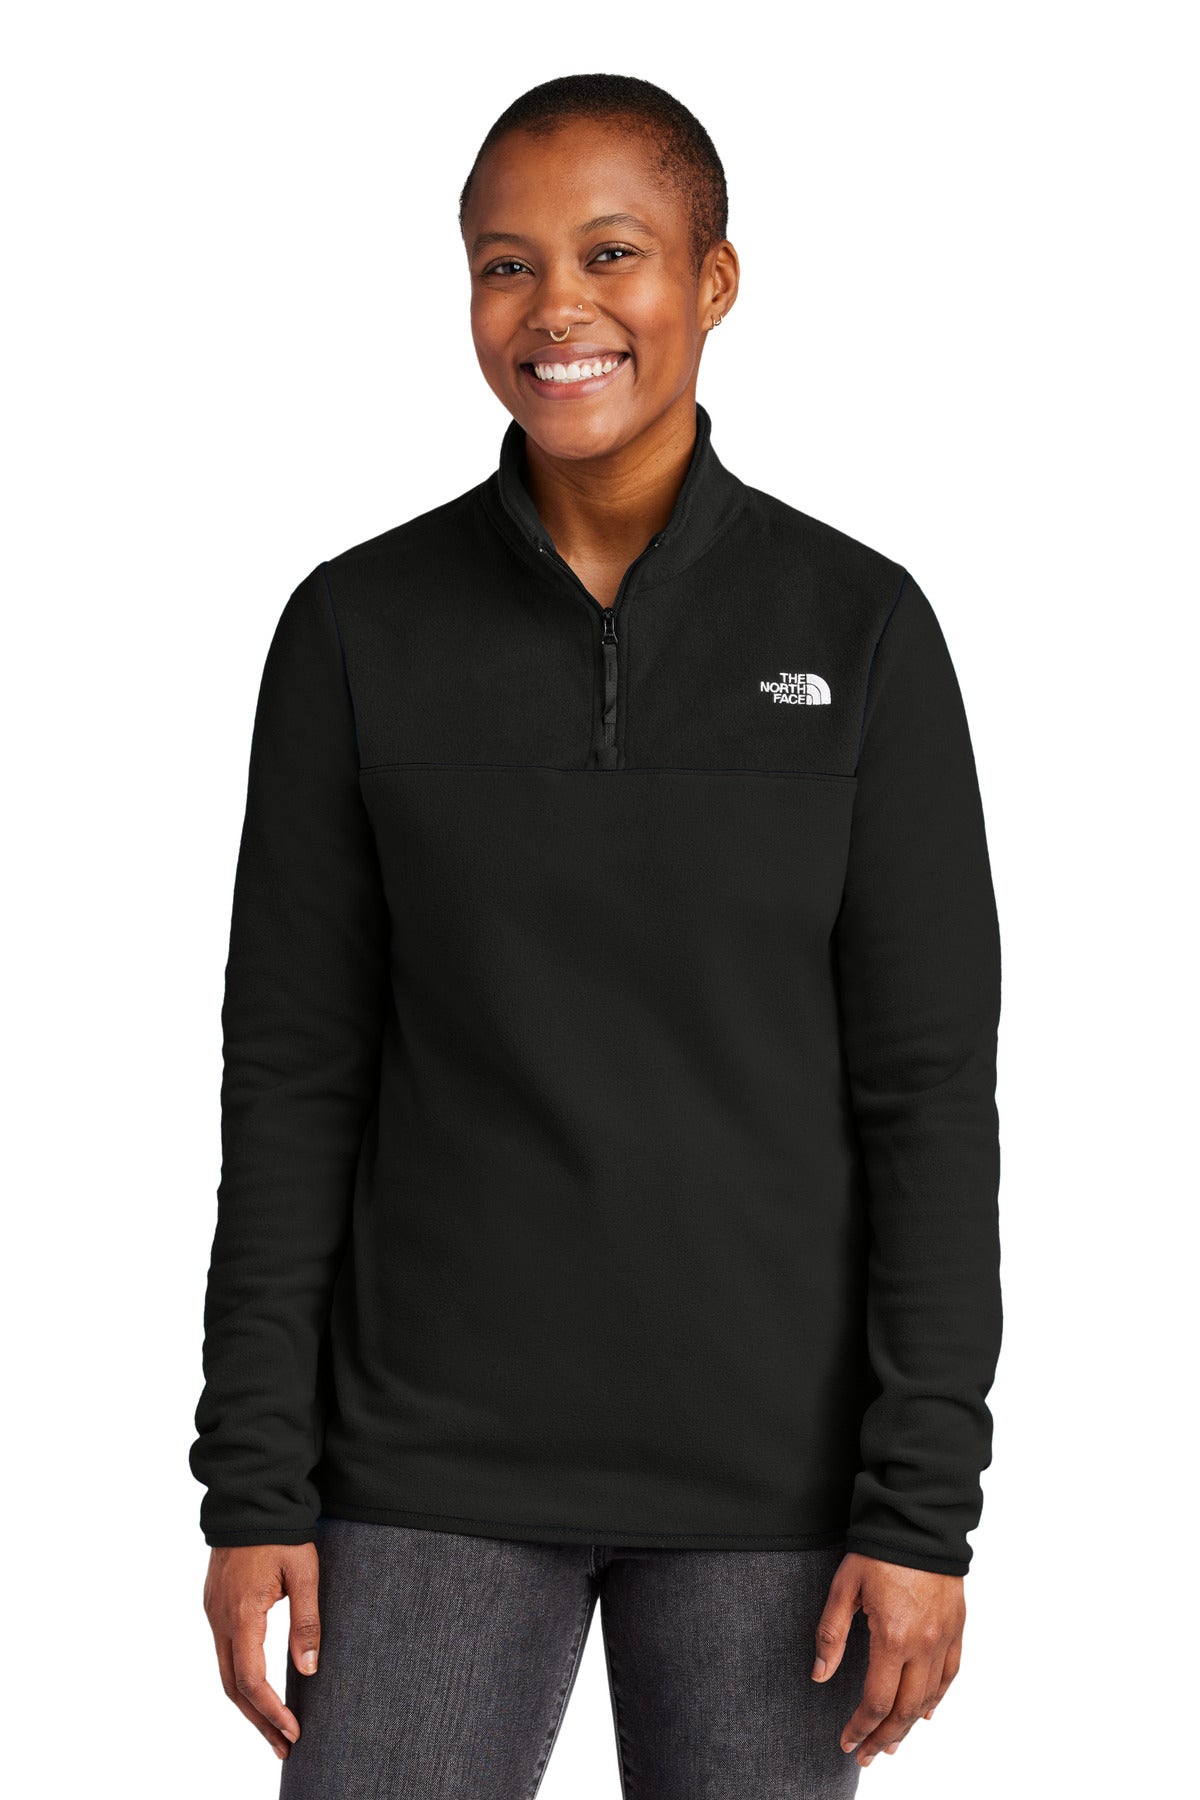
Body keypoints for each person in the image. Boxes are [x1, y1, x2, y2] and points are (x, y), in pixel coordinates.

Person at [190, 72, 1003, 1799]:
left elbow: (928, 1097)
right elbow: (294, 1078)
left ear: (714, 280)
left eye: (611, 253)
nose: (555, 307)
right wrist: (253, 1484)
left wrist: (921, 1507)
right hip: (424, 1473)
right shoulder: (355, 630)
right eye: (507, 264)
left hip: (777, 1500)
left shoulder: (861, 628)